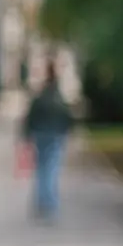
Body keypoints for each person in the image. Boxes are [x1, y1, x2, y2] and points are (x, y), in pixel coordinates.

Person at [20, 57, 75, 219]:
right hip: (56, 135)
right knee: (51, 169)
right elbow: (67, 117)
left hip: (40, 135)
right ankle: (50, 204)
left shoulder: (40, 96)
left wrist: (26, 135)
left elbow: (30, 116)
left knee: (41, 170)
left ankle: (41, 202)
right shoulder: (60, 97)